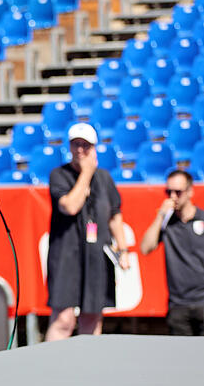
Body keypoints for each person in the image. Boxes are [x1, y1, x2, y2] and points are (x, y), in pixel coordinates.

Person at [45, 122, 130, 341]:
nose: (80, 150)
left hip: (96, 255)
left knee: (92, 316)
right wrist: (86, 173)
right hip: (66, 255)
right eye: (76, 144)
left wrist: (123, 249)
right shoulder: (59, 174)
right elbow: (70, 206)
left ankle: (89, 368)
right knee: (63, 319)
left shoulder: (104, 178)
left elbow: (114, 215)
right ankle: (51, 368)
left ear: (94, 147)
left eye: (86, 145)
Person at [139, 170, 204, 335]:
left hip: (202, 301)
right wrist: (161, 215)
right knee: (181, 358)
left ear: (190, 192)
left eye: (178, 192)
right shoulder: (167, 223)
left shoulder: (202, 219)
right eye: (169, 192)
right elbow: (145, 248)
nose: (173, 196)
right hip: (178, 305)